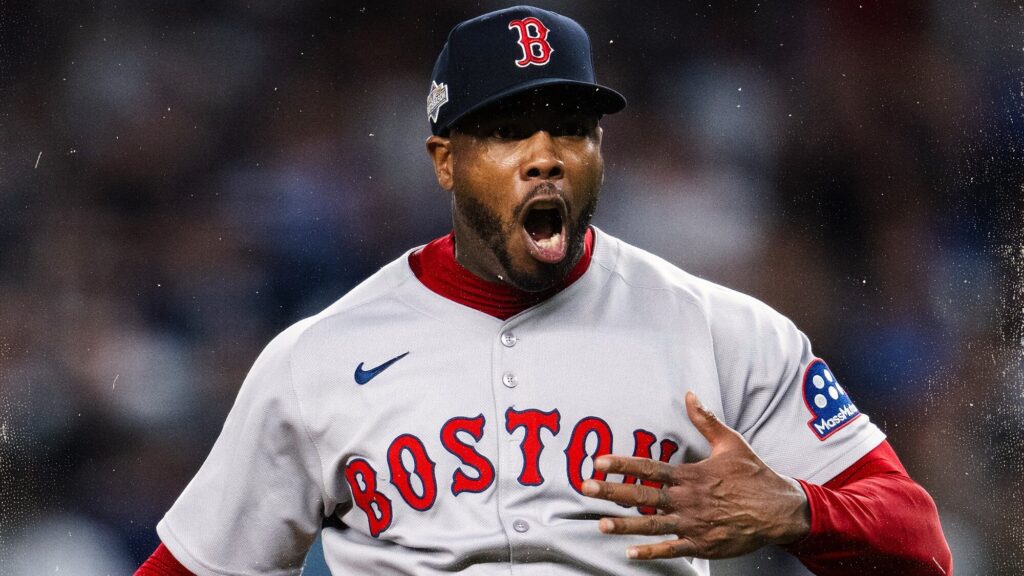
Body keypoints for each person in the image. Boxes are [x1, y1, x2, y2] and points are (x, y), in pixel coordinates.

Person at [136, 6, 952, 575]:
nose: (545, 154)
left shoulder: (722, 330)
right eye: (506, 129)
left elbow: (920, 546)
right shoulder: (317, 358)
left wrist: (801, 510)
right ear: (445, 160)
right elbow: (194, 566)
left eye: (569, 125)